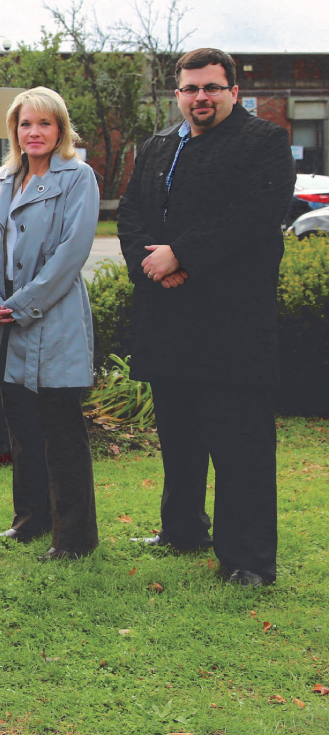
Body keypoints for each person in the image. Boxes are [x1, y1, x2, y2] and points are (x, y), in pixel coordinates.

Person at [117, 49, 294, 585]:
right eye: (191, 89)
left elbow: (254, 217)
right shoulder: (158, 147)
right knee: (181, 437)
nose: (201, 98)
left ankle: (249, 560)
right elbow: (130, 215)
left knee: (241, 448)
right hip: (169, 318)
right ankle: (182, 530)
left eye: (212, 88)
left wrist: (182, 254)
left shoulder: (263, 143)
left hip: (232, 325)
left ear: (234, 92)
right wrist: (153, 266)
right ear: (178, 94)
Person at [0, 86, 100, 560]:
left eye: (44, 123)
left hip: (53, 319)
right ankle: (30, 521)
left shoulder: (77, 177)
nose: (34, 132)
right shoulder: (2, 180)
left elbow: (71, 254)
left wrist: (21, 304)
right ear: (14, 131)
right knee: (21, 428)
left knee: (61, 429)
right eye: (26, 124)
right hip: (3, 321)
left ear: (60, 129)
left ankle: (75, 538)